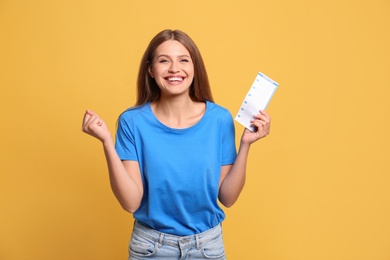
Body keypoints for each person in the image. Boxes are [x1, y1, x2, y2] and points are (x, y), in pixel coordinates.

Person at [82, 29, 271, 260]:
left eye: (183, 60)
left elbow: (228, 198)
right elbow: (131, 202)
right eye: (164, 61)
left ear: (195, 68)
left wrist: (246, 145)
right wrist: (107, 143)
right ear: (151, 69)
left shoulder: (219, 119)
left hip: (207, 248)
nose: (174, 69)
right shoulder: (132, 122)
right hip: (151, 248)